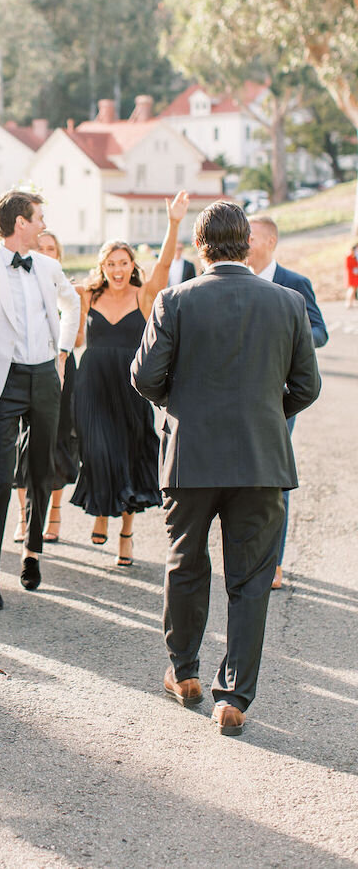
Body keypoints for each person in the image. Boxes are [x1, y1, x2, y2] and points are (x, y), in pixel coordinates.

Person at [132, 201, 320, 736]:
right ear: (248, 244)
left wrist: (184, 407)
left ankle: (184, 673)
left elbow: (144, 379)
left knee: (185, 565)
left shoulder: (175, 300)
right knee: (252, 579)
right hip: (261, 458)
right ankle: (234, 696)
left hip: (191, 453)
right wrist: (263, 414)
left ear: (201, 246)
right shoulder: (288, 301)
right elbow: (306, 386)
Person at [0, 191, 80, 608]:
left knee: (42, 469)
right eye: (39, 218)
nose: (44, 224)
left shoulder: (47, 265)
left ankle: (32, 553)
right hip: (2, 380)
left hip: (45, 374)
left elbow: (72, 301)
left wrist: (62, 351)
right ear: (20, 223)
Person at [70, 192, 190, 567]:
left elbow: (167, 263)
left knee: (128, 453)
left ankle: (126, 533)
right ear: (102, 266)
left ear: (131, 265)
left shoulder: (145, 295)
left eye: (123, 263)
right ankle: (102, 511)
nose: (117, 270)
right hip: (92, 383)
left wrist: (173, 223)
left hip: (130, 385)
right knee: (96, 450)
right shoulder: (87, 294)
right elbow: (74, 339)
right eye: (111, 264)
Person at [247, 213, 328, 589]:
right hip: (238, 393)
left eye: (251, 237)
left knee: (274, 478)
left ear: (270, 242)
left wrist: (288, 340)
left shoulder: (295, 284)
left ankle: (274, 562)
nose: (244, 242)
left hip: (278, 397)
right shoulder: (237, 279)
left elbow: (319, 331)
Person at [12, 229, 82, 544]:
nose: (45, 252)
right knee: (21, 444)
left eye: (51, 248)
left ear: (58, 256)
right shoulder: (18, 284)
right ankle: (23, 515)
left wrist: (63, 355)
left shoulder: (65, 289)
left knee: (57, 441)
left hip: (61, 367)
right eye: (39, 247)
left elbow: (79, 337)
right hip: (23, 370)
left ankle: (53, 513)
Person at [344, 243, 358, 308]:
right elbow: (348, 266)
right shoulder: (349, 256)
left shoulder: (354, 256)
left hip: (355, 275)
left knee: (354, 289)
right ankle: (348, 302)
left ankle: (352, 302)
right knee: (351, 289)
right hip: (351, 275)